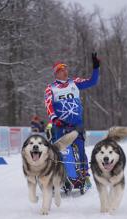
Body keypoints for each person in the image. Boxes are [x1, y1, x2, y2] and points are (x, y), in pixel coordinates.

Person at [44, 52, 100, 187]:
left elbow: (92, 81)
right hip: (60, 125)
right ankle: (60, 176)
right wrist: (54, 118)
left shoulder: (74, 82)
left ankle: (85, 176)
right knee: (60, 151)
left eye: (66, 69)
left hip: (76, 124)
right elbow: (48, 104)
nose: (65, 72)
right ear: (56, 73)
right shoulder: (50, 88)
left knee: (81, 149)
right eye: (62, 70)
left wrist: (96, 67)